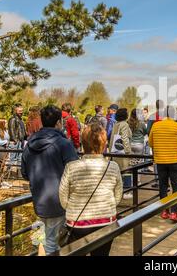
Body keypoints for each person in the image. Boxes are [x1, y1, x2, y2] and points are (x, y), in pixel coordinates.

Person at [21, 105, 79, 255]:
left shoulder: (29, 145)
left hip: (38, 201)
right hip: (59, 202)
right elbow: (75, 172)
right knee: (53, 244)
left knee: (42, 242)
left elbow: (25, 174)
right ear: (59, 122)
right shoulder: (64, 144)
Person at [59, 123, 123, 256]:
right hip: (106, 221)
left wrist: (72, 207)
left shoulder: (71, 167)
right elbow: (118, 196)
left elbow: (63, 196)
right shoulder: (113, 166)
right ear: (104, 144)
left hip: (77, 222)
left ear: (83, 144)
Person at [148, 106, 177, 222]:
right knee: (176, 185)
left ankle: (164, 211)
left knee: (163, 185)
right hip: (175, 160)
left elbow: (151, 143)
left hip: (160, 160)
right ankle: (174, 212)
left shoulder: (156, 126)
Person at [109, 108, 133, 200]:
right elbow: (124, 138)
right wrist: (128, 152)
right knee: (126, 171)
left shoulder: (116, 124)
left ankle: (116, 192)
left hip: (114, 152)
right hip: (122, 152)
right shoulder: (124, 124)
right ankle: (126, 192)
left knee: (117, 173)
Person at [7, 104, 26, 174]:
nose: (21, 112)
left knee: (19, 158)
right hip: (15, 142)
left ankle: (19, 173)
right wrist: (15, 139)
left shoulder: (20, 120)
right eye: (19, 111)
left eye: (22, 111)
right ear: (15, 111)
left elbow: (22, 130)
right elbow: (11, 130)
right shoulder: (12, 119)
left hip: (21, 141)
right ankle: (9, 173)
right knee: (12, 158)